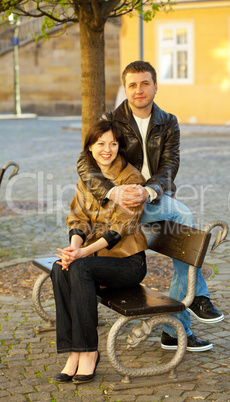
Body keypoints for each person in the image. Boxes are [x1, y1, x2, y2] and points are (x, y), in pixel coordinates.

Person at [77, 61, 224, 352]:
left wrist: (149, 191)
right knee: (183, 214)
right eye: (132, 84)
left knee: (182, 221)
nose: (139, 90)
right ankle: (195, 299)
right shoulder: (112, 119)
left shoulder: (168, 121)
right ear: (125, 88)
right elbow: (84, 161)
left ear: (155, 86)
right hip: (117, 208)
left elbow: (170, 165)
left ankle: (175, 327)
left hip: (150, 201)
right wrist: (114, 191)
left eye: (145, 83)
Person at [51, 120, 148, 384]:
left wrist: (84, 254)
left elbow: (121, 228)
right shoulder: (88, 179)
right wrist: (74, 248)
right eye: (101, 143)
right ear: (90, 147)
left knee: (79, 267)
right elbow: (78, 218)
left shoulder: (131, 179)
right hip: (94, 260)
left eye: (113, 144)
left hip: (128, 264)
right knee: (61, 266)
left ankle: (89, 352)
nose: (107, 149)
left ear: (120, 147)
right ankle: (73, 351)